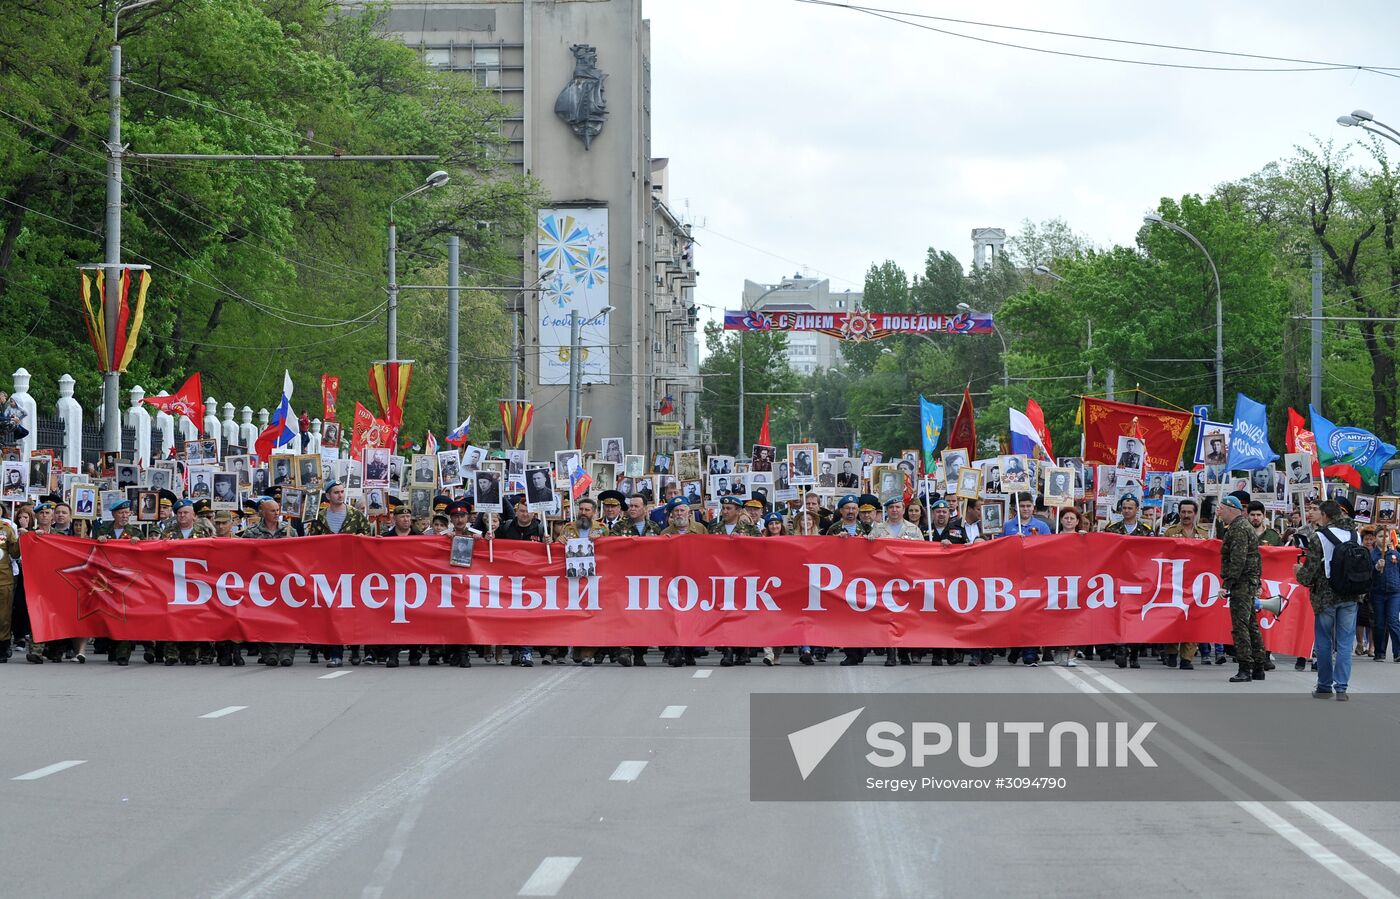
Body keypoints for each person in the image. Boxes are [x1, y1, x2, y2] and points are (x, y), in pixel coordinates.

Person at [1296, 499, 1364, 698]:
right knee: (1344, 643)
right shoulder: (1355, 535)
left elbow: (1310, 571)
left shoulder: (1319, 537)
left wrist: (1298, 573)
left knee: (1324, 641)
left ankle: (1324, 685)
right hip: (1351, 593)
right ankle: (1341, 687)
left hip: (1326, 595)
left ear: (1325, 516)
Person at [305, 481, 375, 667]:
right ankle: (336, 654)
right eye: (336, 492)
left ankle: (354, 648)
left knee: (353, 611)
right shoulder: (319, 518)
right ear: (328, 496)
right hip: (329, 573)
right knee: (333, 612)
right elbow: (312, 544)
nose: (340, 495)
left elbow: (368, 540)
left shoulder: (356, 516)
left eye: (342, 492)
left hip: (353, 572)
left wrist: (362, 539)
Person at [241, 496, 298, 666]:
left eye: (277, 510)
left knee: (287, 618)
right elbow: (243, 556)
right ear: (262, 512)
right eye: (272, 510)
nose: (276, 513)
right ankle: (269, 652)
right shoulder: (251, 533)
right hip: (262, 582)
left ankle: (286, 652)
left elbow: (300, 556)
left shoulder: (289, 531)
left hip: (284, 581)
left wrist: (292, 545)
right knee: (264, 618)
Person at [1217, 495, 1267, 685]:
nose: (1219, 512)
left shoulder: (1238, 529)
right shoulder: (1241, 527)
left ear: (1231, 509)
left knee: (1240, 627)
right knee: (1251, 625)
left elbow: (1238, 560)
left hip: (1242, 584)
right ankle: (1259, 666)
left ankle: (1245, 668)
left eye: (1221, 508)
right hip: (1248, 582)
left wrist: (1227, 584)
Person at [1162, 498, 1211, 669]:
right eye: (1183, 512)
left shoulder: (1204, 534)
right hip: (1174, 582)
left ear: (1195, 514)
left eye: (1190, 512)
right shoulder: (1170, 532)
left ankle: (1187, 657)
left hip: (1196, 583)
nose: (1186, 515)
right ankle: (1171, 652)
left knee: (1194, 619)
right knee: (1173, 617)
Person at [1369, 527, 1400, 663]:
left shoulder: (1395, 554)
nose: (1384, 538)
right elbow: (1367, 573)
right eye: (1381, 536)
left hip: (1394, 592)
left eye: (1386, 536)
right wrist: (1376, 567)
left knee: (1393, 621)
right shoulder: (1371, 555)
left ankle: (1397, 652)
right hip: (1378, 592)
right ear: (1375, 538)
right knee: (1379, 623)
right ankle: (1379, 651)